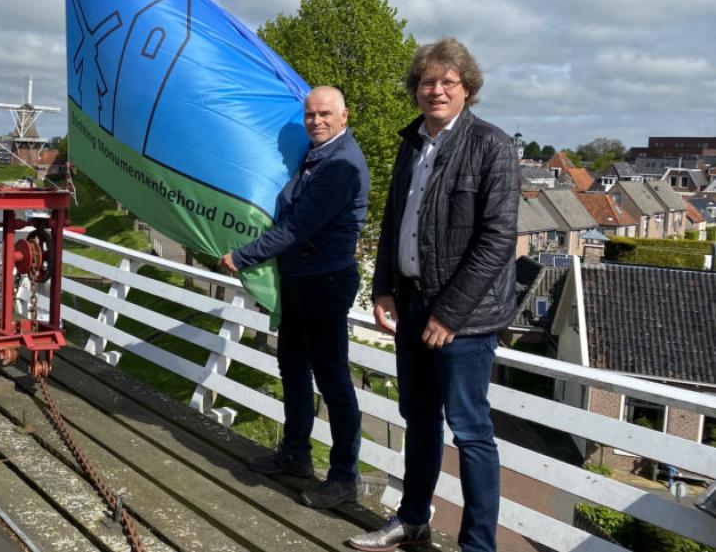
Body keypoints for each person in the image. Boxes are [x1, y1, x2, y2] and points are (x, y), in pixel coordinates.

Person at [347, 37, 519, 552]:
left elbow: (497, 240)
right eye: (427, 81)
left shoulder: (492, 146)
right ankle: (413, 520)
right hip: (412, 305)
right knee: (419, 419)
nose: (436, 90)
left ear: (468, 89)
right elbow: (395, 219)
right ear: (415, 89)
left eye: (448, 82)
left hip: (463, 319)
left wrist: (450, 314)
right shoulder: (411, 144)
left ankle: (477, 546)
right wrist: (383, 288)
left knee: (469, 431)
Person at [220, 86, 369, 510]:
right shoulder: (314, 156)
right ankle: (296, 455)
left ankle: (344, 478)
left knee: (334, 380)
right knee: (294, 368)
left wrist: (241, 257)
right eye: (309, 115)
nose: (316, 121)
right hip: (301, 281)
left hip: (325, 282)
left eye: (325, 114)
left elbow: (296, 228)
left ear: (344, 116)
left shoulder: (341, 166)